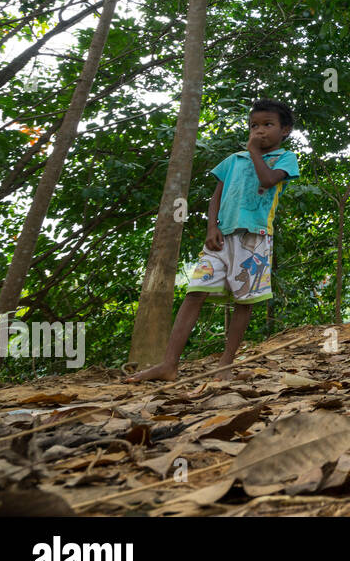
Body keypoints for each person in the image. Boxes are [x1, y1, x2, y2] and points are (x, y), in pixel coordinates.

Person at [127, 100, 300, 382]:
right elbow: (216, 197)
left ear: (285, 131)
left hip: (254, 238)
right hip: (221, 237)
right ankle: (168, 364)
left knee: (244, 302)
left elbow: (267, 181)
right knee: (195, 293)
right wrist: (211, 227)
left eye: (268, 125)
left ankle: (225, 365)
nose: (259, 131)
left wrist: (254, 152)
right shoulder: (232, 161)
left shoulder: (284, 159)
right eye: (254, 125)